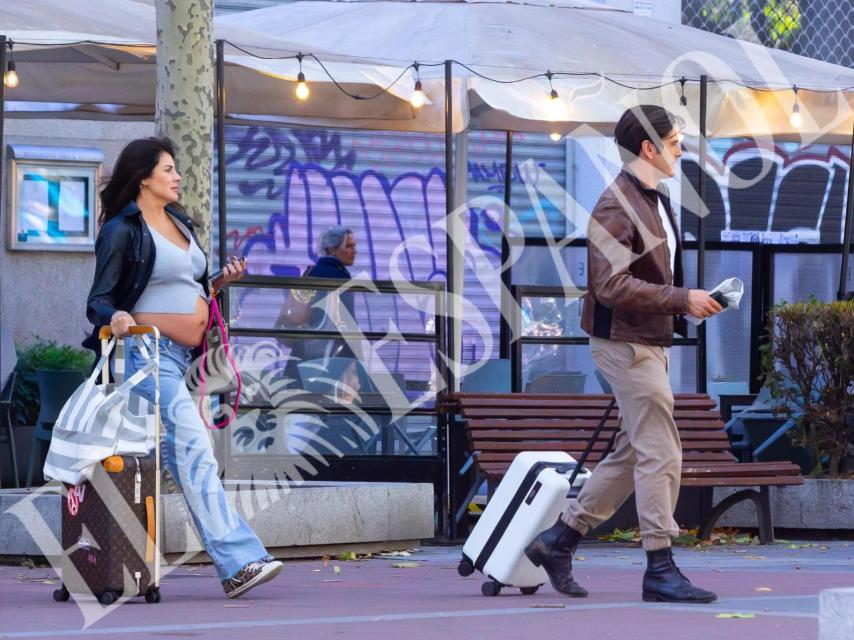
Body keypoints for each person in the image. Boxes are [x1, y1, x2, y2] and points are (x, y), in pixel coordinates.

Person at [524, 105, 723, 604]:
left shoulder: (652, 198)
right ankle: (660, 565)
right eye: (676, 141)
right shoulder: (617, 205)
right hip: (624, 345)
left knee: (635, 449)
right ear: (649, 149)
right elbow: (608, 285)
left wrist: (686, 302)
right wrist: (682, 299)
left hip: (646, 340)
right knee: (662, 448)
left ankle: (559, 540)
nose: (682, 149)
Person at [83, 137, 283, 599]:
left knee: (194, 455)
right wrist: (115, 316)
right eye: (168, 169)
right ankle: (238, 562)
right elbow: (99, 299)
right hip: (145, 355)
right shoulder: (121, 230)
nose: (177, 177)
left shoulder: (178, 221)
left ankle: (237, 561)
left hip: (182, 359)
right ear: (144, 177)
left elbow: (186, 288)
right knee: (193, 449)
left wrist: (218, 284)